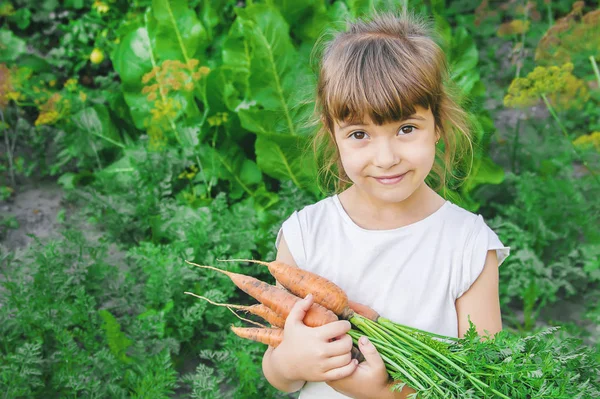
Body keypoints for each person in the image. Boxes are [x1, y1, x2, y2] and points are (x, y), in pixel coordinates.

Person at [261, 10, 510, 399]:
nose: (386, 156)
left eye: (406, 129)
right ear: (333, 134)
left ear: (438, 124)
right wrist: (289, 363)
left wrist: (388, 395)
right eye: (360, 134)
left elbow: (486, 380)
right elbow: (278, 371)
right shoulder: (305, 235)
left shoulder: (469, 246)